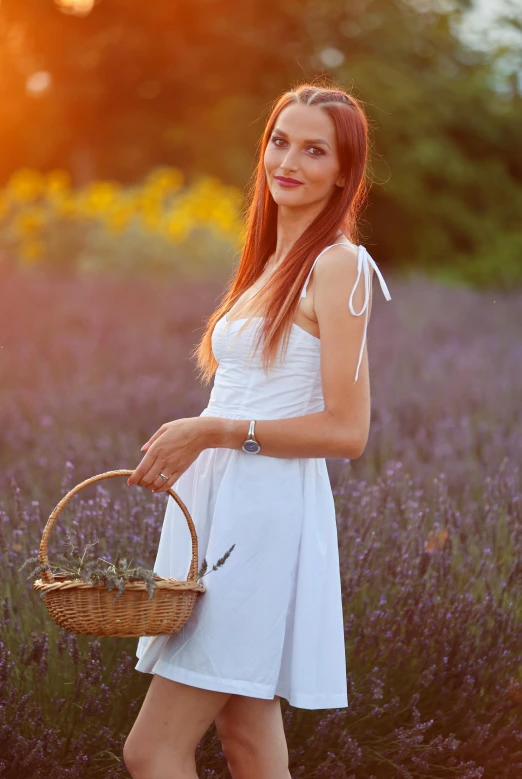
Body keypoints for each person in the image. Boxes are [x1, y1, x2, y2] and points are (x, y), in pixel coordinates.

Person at [123, 82, 392, 779]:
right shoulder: (268, 262)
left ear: (344, 171)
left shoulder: (339, 266)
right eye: (279, 140)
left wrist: (211, 430)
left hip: (259, 522)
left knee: (152, 749)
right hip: (217, 509)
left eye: (314, 149)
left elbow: (347, 429)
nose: (289, 160)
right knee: (246, 738)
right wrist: (205, 438)